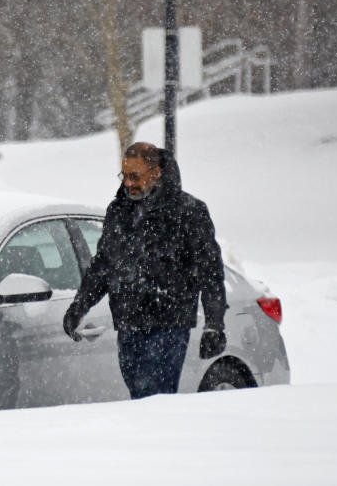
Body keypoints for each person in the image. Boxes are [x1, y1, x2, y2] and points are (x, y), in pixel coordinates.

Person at [62, 142, 227, 399]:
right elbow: (104, 265)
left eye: (135, 176)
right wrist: (79, 306)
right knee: (139, 395)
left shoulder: (188, 212)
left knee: (155, 396)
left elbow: (210, 271)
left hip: (169, 321)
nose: (128, 183)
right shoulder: (118, 211)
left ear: (156, 172)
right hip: (129, 322)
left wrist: (214, 324)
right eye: (124, 176)